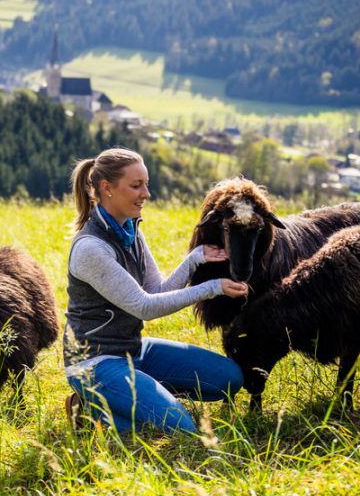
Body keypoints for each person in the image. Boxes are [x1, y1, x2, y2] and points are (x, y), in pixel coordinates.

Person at [64, 147, 247, 436]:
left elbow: (156, 289)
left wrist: (196, 257)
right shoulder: (91, 249)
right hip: (94, 364)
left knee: (229, 379)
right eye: (136, 186)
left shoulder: (131, 230)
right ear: (107, 188)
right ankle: (91, 407)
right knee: (182, 427)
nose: (146, 193)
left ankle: (132, 396)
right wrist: (212, 288)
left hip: (134, 350)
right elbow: (144, 307)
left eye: (146, 184)